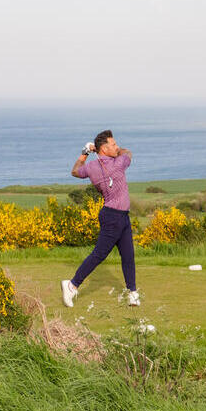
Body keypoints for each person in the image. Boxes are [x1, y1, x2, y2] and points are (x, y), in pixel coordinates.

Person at [62, 129, 139, 307]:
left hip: (119, 215)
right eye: (113, 144)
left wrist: (85, 153)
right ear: (104, 148)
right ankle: (72, 285)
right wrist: (108, 151)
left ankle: (133, 293)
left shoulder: (91, 167)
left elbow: (75, 171)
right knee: (99, 254)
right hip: (113, 217)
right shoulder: (119, 163)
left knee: (128, 255)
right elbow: (128, 153)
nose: (117, 147)